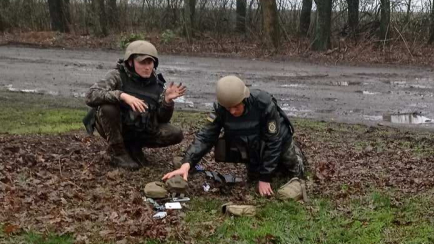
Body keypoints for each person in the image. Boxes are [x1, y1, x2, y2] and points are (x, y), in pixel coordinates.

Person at [162, 75, 306, 198]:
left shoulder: (264, 103)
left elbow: (274, 141)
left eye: (236, 106)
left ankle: (296, 154)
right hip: (252, 145)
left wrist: (265, 177)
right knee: (253, 179)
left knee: (294, 170)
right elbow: (205, 136)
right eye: (228, 107)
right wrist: (187, 163)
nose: (232, 111)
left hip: (278, 140)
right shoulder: (220, 109)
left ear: (244, 99)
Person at [84, 40, 185, 169]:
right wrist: (121, 96)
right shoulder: (117, 75)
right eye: (142, 62)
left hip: (140, 128)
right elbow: (90, 95)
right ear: (131, 62)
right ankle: (117, 152)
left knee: (175, 133)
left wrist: (167, 102)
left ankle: (134, 147)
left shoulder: (157, 84)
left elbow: (162, 119)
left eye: (150, 62)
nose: (147, 67)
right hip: (116, 126)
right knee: (108, 108)